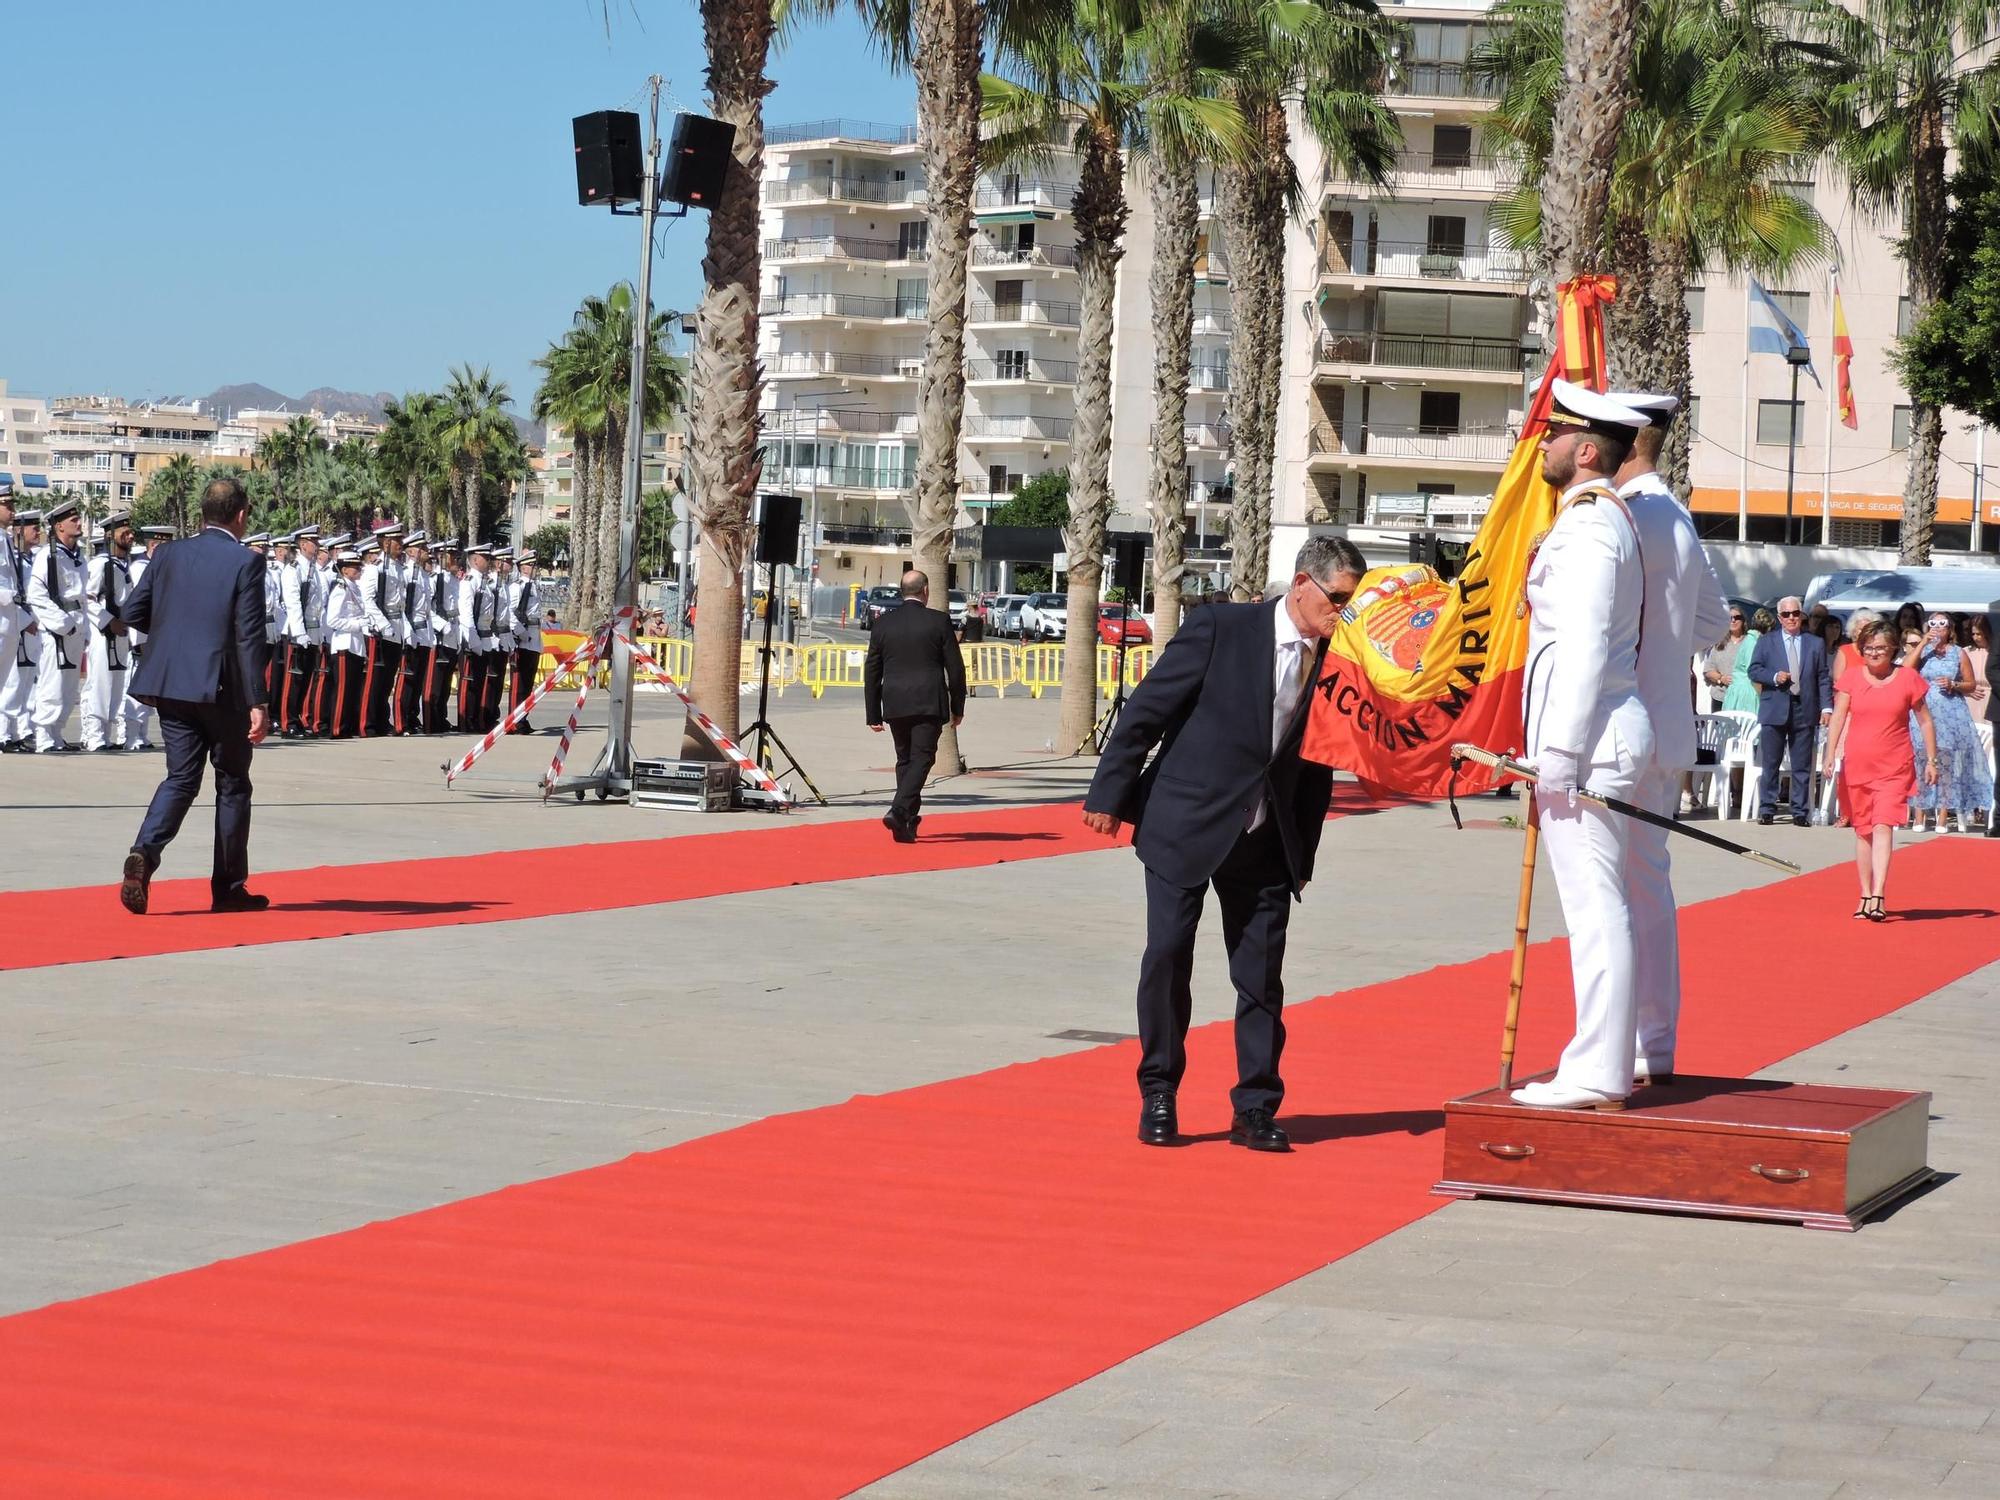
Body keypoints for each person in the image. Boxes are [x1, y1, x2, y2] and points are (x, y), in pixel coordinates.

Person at [1082, 535, 1364, 1152]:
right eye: (1337, 599)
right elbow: (1146, 713)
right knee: (1167, 957)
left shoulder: (1337, 662)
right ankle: (1159, 1092)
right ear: (1301, 583)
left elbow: (1315, 763)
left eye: (1351, 602)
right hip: (1185, 822)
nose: (1342, 612)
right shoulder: (1219, 628)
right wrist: (1108, 795)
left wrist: (1303, 851)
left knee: (1261, 977)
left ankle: (1255, 1108)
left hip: (1266, 838)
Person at [1513, 383, 1655, 1111]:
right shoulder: (1585, 521)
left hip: (1591, 741)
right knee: (1601, 906)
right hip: (1593, 736)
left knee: (1597, 909)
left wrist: (1558, 757)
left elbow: (1587, 648)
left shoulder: (1594, 527)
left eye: (1554, 433)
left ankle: (1598, 1069)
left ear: (1587, 450)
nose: (1542, 442)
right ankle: (1606, 1057)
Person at [1606, 389, 1731, 1087]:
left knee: (1611, 895)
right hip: (1667, 729)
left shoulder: (1623, 516)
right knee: (1648, 890)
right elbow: (1714, 625)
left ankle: (1617, 1048)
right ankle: (1654, 1044)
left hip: (1620, 730)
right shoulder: (1676, 515)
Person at [115, 476, 272, 917]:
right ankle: (228, 888)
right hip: (221, 689)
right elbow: (249, 637)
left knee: (180, 778)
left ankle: (144, 853)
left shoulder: (168, 553)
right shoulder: (246, 562)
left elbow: (132, 612)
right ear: (241, 516)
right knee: (233, 784)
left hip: (169, 684)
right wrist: (258, 701)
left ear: (203, 514)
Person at [1822, 618, 1936, 919]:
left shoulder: (1908, 678)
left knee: (1884, 824)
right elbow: (1838, 718)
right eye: (1869, 648)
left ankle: (1878, 893)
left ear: (1893, 650)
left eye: (1880, 648)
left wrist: (1932, 760)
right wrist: (1829, 754)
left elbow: (1925, 720)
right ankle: (1863, 892)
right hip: (1858, 764)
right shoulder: (1852, 678)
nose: (1874, 653)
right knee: (1863, 831)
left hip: (1895, 766)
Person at [864, 570, 967, 843]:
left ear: (902, 591)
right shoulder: (939, 621)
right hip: (927, 701)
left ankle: (905, 822)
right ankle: (899, 810)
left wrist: (873, 712)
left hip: (895, 701)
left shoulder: (884, 624)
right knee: (923, 758)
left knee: (905, 760)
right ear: (925, 591)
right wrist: (958, 705)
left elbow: (872, 670)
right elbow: (955, 669)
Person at [1748, 595, 1832, 824]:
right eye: (1786, 614)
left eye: (1795, 613)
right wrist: (1774, 677)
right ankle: (1767, 808)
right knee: (1771, 763)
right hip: (1775, 706)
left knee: (1802, 765)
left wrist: (1826, 707)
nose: (1792, 618)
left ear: (1801, 615)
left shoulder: (1815, 643)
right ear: (1779, 617)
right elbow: (1754, 670)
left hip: (1804, 707)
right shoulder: (1767, 641)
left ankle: (1800, 811)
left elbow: (1823, 676)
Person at [1905, 610, 1992, 833]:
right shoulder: (1923, 651)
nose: (1937, 628)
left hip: (1950, 713)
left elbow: (1971, 684)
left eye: (1942, 624)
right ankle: (1919, 814)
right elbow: (1905, 670)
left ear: (1949, 628)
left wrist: (1954, 684)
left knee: (1946, 763)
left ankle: (1943, 815)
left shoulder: (1958, 653)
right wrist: (1924, 641)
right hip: (1923, 711)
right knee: (1920, 758)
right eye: (1932, 623)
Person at [26, 498, 89, 753]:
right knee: (52, 682)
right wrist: (61, 623)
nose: (78, 522)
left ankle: (57, 734)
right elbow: (36, 594)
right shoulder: (48, 556)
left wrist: (80, 628)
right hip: (58, 627)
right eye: (73, 520)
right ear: (59, 527)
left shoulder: (77, 556)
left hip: (76, 623)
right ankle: (44, 735)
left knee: (69, 684)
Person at [82, 511, 140, 752]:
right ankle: (94, 736)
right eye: (123, 532)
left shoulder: (121, 565)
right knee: (100, 684)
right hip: (103, 632)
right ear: (109, 535)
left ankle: (105, 736)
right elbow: (87, 598)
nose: (129, 535)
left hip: (120, 633)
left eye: (130, 531)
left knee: (116, 686)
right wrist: (108, 621)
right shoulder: (100, 564)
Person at [279, 526, 325, 738]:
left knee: (306, 679)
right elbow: (293, 603)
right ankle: (288, 722)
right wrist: (299, 632)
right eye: (313, 542)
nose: (316, 546)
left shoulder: (314, 570)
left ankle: (298, 719)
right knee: (294, 680)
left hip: (313, 631)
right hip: (298, 632)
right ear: (302, 544)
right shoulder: (293, 569)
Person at [323, 549, 370, 739]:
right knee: (342, 689)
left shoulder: (354, 588)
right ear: (344, 570)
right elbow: (332, 620)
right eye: (354, 566)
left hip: (356, 644)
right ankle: (337, 728)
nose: (358, 569)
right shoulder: (340, 588)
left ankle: (348, 726)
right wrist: (357, 624)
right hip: (344, 642)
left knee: (352, 688)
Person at [0, 483, 32, 753]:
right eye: (7, 505)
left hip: (8, 620)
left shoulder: (6, 539)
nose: (12, 510)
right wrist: (9, 595)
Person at [397, 532, 433, 735]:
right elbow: (404, 606)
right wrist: (408, 630)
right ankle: (401, 721)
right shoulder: (406, 573)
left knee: (418, 679)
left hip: (423, 630)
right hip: (411, 629)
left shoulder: (423, 575)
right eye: (422, 548)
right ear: (411, 551)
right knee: (407, 679)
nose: (426, 552)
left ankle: (412, 716)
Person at [505, 549, 543, 733]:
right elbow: (510, 613)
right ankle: (514, 720)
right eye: (530, 564)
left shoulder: (534, 586)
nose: (534, 567)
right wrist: (521, 633)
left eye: (534, 564)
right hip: (523, 639)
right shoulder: (517, 587)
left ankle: (523, 718)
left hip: (534, 638)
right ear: (522, 567)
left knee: (527, 684)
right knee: (518, 684)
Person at [1702, 607, 1750, 711]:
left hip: (1743, 699)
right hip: (1720, 699)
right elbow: (1708, 670)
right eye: (1730, 618)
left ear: (1743, 621)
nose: (1733, 620)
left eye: (1737, 617)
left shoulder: (1751, 642)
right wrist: (1721, 678)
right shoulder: (1719, 643)